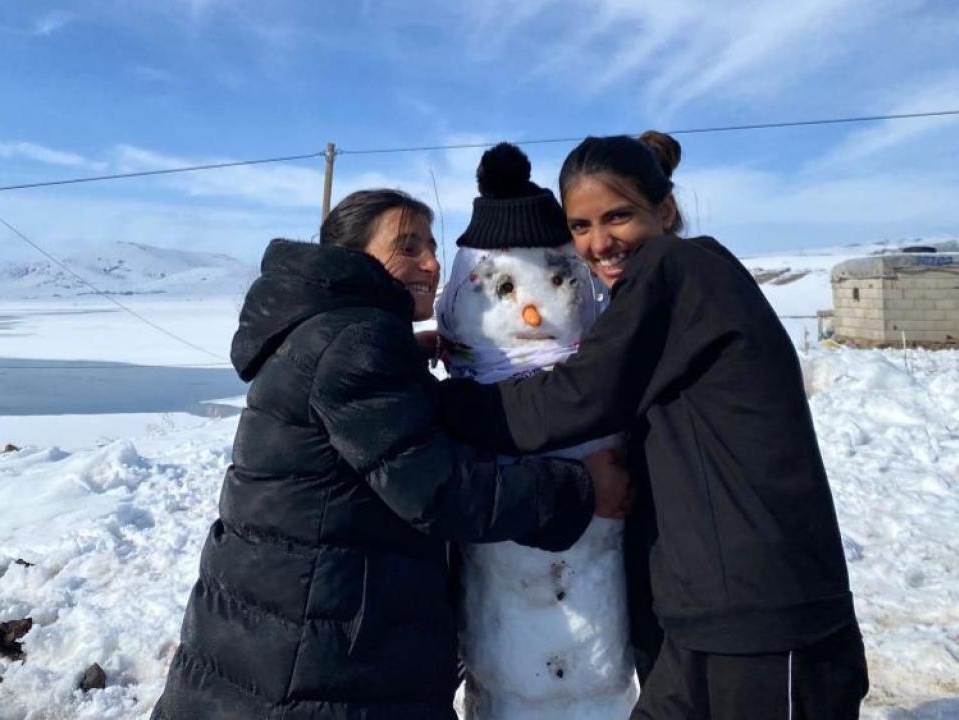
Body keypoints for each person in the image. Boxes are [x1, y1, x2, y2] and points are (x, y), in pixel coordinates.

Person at [150, 189, 629, 720]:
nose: (430, 262)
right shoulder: (356, 342)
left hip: (285, 632)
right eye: (407, 247)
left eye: (431, 244)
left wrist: (409, 371)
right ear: (354, 256)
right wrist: (578, 490)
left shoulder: (329, 330)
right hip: (312, 660)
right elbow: (438, 491)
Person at [437, 133, 869, 719]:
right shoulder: (660, 287)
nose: (599, 243)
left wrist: (442, 404)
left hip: (765, 609)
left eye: (619, 217)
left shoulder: (680, 270)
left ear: (664, 212)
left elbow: (577, 397)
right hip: (702, 606)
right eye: (581, 226)